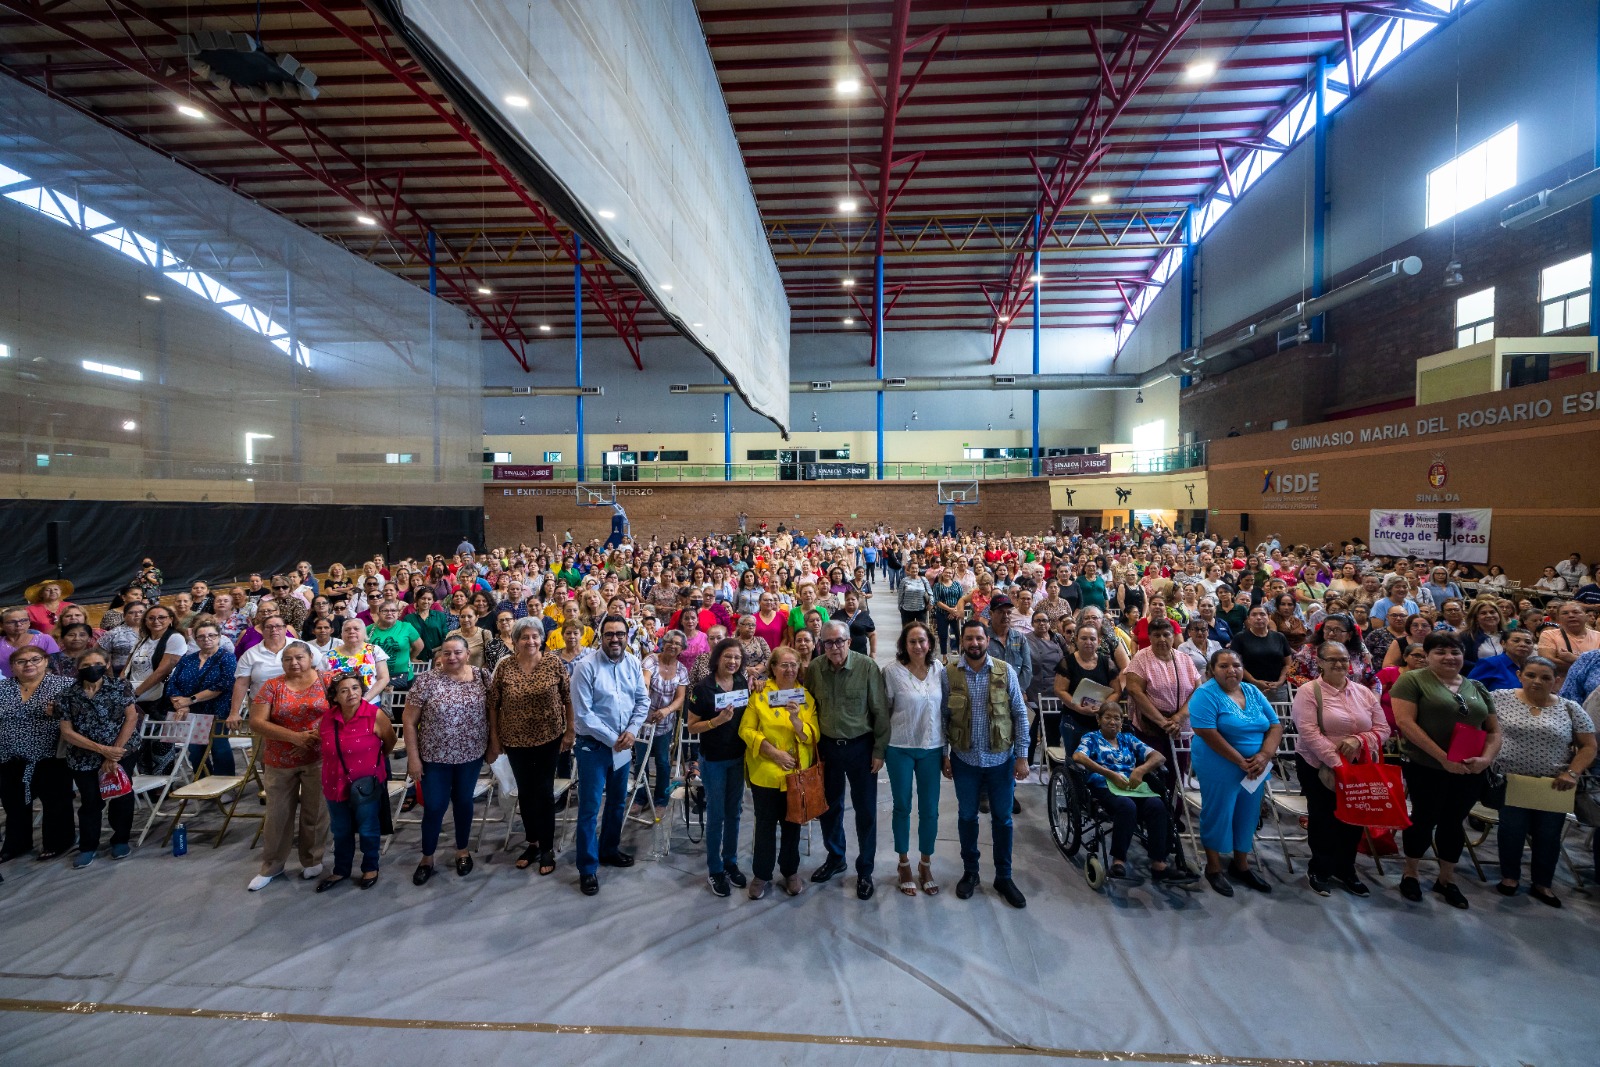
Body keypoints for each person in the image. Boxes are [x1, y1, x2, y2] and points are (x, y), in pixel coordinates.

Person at [1388, 632, 1498, 909]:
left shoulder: (1476, 686)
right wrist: (1443, 758)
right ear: (1427, 656)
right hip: (1427, 766)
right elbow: (1406, 723)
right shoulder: (1412, 681)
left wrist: (1485, 759)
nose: (1449, 657)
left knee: (1454, 822)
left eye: (1455, 652)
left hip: (1469, 769)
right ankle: (1411, 873)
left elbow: (1494, 730)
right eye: (1440, 652)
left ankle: (1446, 879)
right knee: (1423, 819)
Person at [1490, 657, 1596, 907]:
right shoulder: (1499, 698)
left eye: (1545, 677)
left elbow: (1589, 746)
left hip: (1554, 785)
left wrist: (1572, 773)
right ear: (1520, 675)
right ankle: (1509, 878)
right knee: (1511, 830)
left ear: (1556, 681)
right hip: (1512, 781)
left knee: (1548, 835)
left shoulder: (1569, 707)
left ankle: (1542, 883)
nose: (1537, 681)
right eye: (1531, 675)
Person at [1289, 642, 1390, 897]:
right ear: (1320, 662)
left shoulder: (1363, 692)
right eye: (1332, 659)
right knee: (1323, 817)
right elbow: (1309, 733)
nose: (1338, 664)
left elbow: (1383, 729)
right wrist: (1337, 763)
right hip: (1317, 765)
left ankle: (1346, 868)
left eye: (1343, 659)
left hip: (1358, 765)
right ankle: (1320, 869)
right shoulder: (1308, 692)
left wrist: (1359, 740)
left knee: (1354, 818)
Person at [941, 617, 1029, 907]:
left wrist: (1022, 756)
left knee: (1002, 819)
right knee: (967, 817)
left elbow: (1019, 713)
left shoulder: (1005, 671)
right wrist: (944, 754)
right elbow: (942, 717)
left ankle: (1004, 876)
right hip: (965, 760)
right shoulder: (949, 673)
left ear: (987, 641)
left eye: (979, 638)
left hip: (1000, 761)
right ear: (962, 642)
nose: (974, 643)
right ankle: (971, 872)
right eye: (969, 638)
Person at [805, 620, 890, 898]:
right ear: (821, 645)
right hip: (827, 748)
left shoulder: (867, 667)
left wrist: (879, 751)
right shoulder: (815, 669)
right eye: (828, 642)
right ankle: (835, 857)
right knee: (829, 807)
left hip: (861, 748)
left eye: (839, 641)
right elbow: (808, 707)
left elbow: (880, 711)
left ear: (849, 642)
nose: (834, 647)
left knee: (865, 810)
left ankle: (865, 869)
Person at [1188, 648, 1282, 897]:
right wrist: (1241, 761)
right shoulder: (1205, 694)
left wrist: (1264, 755)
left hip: (1255, 768)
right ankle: (1214, 868)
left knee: (1248, 814)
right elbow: (1206, 732)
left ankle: (1241, 865)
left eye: (1236, 665)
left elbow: (1275, 725)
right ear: (1212, 670)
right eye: (1224, 666)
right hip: (1218, 764)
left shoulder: (1252, 691)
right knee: (1218, 813)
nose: (1231, 670)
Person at [486, 616, 573, 876]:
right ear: (515, 641)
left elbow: (568, 698)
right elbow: (493, 704)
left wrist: (570, 730)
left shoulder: (553, 663)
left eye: (535, 636)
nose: (530, 641)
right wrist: (495, 738)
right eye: (524, 637)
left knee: (544, 792)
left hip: (549, 737)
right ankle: (532, 842)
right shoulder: (505, 666)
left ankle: (547, 847)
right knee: (525, 791)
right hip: (514, 739)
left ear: (542, 639)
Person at [569, 616, 649, 895]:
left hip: (623, 744)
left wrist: (632, 730)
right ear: (600, 637)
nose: (615, 639)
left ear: (627, 636)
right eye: (609, 634)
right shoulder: (585, 667)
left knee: (617, 802)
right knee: (590, 808)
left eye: (620, 634)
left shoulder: (633, 663)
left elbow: (642, 701)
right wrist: (616, 739)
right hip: (593, 746)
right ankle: (587, 867)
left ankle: (609, 849)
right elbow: (584, 714)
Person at [1073, 701, 1195, 884]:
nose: (1112, 722)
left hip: (1132, 785)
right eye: (1107, 717)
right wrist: (1109, 773)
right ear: (1098, 719)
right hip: (1104, 785)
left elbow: (1159, 756)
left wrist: (1140, 770)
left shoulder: (1128, 739)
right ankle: (1119, 860)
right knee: (1127, 807)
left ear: (1122, 722)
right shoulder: (1091, 738)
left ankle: (1158, 863)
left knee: (1157, 805)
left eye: (1117, 718)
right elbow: (1078, 756)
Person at [403, 635, 490, 885]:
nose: (452, 657)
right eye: (447, 653)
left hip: (470, 755)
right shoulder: (426, 680)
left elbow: (492, 712)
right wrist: (413, 758)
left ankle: (462, 850)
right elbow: (409, 721)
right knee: (434, 806)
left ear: (468, 654)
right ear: (440, 655)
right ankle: (427, 857)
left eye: (457, 652)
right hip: (434, 757)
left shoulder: (482, 677)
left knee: (463, 802)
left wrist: (494, 744)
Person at [246, 642, 331, 890]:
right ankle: (272, 866)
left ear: (311, 658)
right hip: (280, 759)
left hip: (319, 756)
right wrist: (295, 738)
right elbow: (257, 722)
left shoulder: (327, 681)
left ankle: (312, 859)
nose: (294, 663)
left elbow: (343, 712)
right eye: (288, 659)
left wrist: (311, 738)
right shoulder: (272, 686)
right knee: (277, 814)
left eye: (299, 657)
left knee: (316, 811)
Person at [741, 646, 819, 899]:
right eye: (784, 665)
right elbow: (747, 730)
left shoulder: (806, 697)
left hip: (796, 773)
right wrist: (774, 753)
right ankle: (762, 874)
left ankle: (790, 871)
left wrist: (796, 720)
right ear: (773, 667)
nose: (789, 669)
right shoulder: (760, 694)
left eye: (793, 664)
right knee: (764, 826)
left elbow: (813, 735)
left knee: (792, 825)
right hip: (765, 772)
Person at [54, 650, 140, 867]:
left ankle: (120, 840)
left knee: (121, 796)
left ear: (107, 664)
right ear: (78, 668)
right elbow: (67, 731)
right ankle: (88, 846)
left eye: (98, 663)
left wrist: (115, 752)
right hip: (83, 754)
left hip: (122, 749)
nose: (92, 668)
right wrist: (102, 750)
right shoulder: (66, 695)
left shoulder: (120, 686)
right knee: (90, 800)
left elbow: (131, 718)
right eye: (86, 665)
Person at [883, 620, 945, 896]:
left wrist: (947, 752)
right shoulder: (891, 672)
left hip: (932, 747)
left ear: (929, 643)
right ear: (904, 645)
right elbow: (884, 710)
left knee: (930, 809)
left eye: (922, 641)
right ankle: (904, 863)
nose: (918, 646)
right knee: (902, 806)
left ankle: (925, 863)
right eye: (912, 641)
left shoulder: (939, 669)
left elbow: (945, 711)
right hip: (900, 746)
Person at [317, 673, 395, 891]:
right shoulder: (328, 718)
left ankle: (370, 867)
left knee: (368, 827)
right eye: (344, 690)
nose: (351, 693)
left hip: (365, 785)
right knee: (340, 829)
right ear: (335, 697)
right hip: (334, 782)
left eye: (355, 688)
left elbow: (389, 742)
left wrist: (375, 763)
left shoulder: (374, 715)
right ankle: (341, 869)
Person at [685, 637, 751, 896]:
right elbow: (692, 726)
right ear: (717, 658)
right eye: (728, 657)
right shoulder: (703, 688)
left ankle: (730, 862)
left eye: (737, 658)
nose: (733, 661)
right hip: (713, 760)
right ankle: (715, 869)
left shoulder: (741, 682)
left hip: (738, 757)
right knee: (716, 815)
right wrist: (717, 721)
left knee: (734, 812)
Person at [0, 645, 76, 861]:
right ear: (12, 666)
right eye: (21, 661)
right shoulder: (3, 687)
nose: (29, 664)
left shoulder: (64, 685)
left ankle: (59, 842)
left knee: (55, 801)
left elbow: (80, 714)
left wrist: (60, 712)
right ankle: (17, 843)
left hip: (50, 755)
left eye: (35, 659)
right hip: (8, 755)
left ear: (46, 661)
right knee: (13, 803)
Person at [1122, 618, 1200, 786]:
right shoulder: (1141, 658)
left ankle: (1176, 802)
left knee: (1177, 773)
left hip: (1180, 727)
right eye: (1156, 635)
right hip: (1150, 727)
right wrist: (1163, 722)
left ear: (1173, 636)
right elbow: (1135, 691)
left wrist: (1178, 718)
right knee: (1154, 775)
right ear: (1150, 637)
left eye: (1166, 634)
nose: (1162, 639)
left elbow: (1197, 690)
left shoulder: (1184, 659)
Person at [168, 620, 238, 776]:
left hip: (218, 710)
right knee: (195, 751)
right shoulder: (188, 659)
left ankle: (225, 783)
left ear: (219, 637)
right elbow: (173, 683)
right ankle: (201, 782)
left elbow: (223, 684)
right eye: (201, 636)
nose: (207, 639)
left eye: (211, 635)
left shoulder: (227, 658)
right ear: (195, 639)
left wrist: (190, 700)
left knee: (219, 748)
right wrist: (181, 704)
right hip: (192, 713)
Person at [634, 629, 688, 814]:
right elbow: (645, 680)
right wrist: (644, 693)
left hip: (665, 723)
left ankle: (661, 801)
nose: (673, 646)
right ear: (663, 643)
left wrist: (666, 710)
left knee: (663, 763)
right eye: (670, 642)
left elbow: (680, 698)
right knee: (640, 761)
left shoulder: (682, 670)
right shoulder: (651, 660)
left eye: (678, 644)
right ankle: (640, 798)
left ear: (682, 648)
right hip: (644, 721)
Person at [1053, 622, 1122, 755]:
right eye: (1084, 638)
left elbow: (1117, 691)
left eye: (1092, 639)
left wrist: (1103, 707)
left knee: (1101, 758)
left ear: (1099, 641)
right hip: (1073, 719)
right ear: (1076, 640)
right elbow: (1059, 690)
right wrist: (1077, 707)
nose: (1088, 642)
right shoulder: (1067, 662)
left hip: (1101, 720)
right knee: (1075, 758)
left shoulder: (1107, 662)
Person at [1231, 605, 1291, 702]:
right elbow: (1235, 664)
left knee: (1279, 712)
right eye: (1254, 615)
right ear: (1248, 619)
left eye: (1262, 614)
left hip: (1277, 688)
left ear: (1269, 617)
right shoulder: (1240, 638)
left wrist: (1280, 682)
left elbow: (1288, 664)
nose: (1258, 618)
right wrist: (1254, 681)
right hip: (1250, 687)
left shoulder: (1279, 637)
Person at [1, 605, 61, 679]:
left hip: (43, 683)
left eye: (24, 620)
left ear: (29, 622)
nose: (19, 624)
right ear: (2, 625)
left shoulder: (45, 639)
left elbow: (56, 666)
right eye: (11, 622)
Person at [1469, 626, 1535, 691]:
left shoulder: (1534, 667)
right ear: (1503, 643)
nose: (1523, 644)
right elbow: (1470, 690)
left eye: (1528, 642)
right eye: (1516, 641)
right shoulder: (1490, 663)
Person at [1538, 601, 1600, 668]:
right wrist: (1590, 664)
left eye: (1576, 612)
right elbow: (1547, 662)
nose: (1571, 615)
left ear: (1586, 617)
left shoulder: (1598, 636)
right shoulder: (1548, 635)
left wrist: (1574, 658)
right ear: (1558, 618)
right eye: (1565, 613)